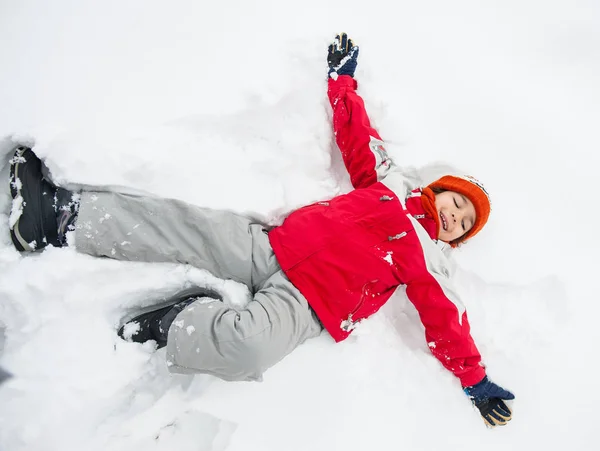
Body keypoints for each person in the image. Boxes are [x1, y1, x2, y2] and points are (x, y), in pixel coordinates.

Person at [7, 33, 514, 427]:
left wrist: (477, 380)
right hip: (270, 245)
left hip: (309, 306)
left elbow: (446, 321)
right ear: (441, 189)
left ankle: (176, 324)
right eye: (458, 204)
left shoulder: (430, 258)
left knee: (249, 348)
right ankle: (57, 215)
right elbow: (358, 139)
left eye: (464, 225)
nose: (455, 218)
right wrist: (343, 84)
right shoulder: (391, 182)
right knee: (181, 226)